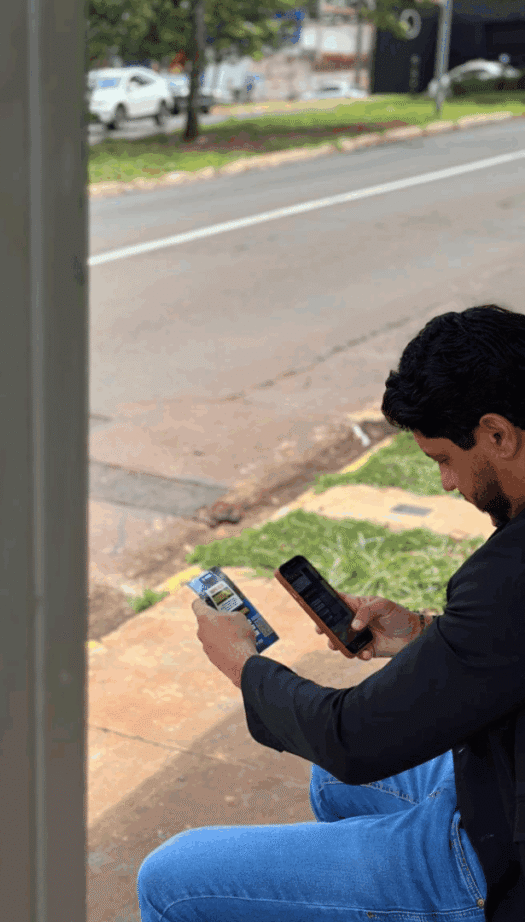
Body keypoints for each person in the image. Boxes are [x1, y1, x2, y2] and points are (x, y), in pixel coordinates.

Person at [137, 304, 525, 922]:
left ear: (498, 434)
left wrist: (243, 667)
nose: (449, 483)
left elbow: (355, 739)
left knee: (171, 879)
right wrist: (423, 634)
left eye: (444, 459)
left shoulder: (508, 573)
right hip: (498, 782)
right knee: (330, 785)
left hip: (495, 855)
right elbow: (503, 648)